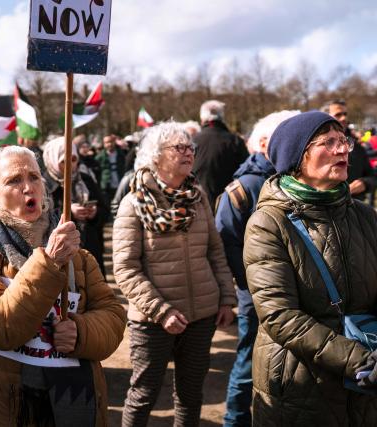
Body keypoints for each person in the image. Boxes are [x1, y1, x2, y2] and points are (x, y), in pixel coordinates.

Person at [0, 146, 126, 426]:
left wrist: (81, 332)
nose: (27, 187)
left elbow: (114, 318)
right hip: (9, 405)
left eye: (34, 177)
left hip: (73, 398)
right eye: (13, 181)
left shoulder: (78, 256)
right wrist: (48, 262)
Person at [243, 111, 377, 425]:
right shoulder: (268, 223)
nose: (343, 149)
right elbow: (280, 316)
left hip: (364, 389)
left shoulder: (365, 215)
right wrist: (361, 359)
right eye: (328, 142)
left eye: (343, 141)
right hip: (301, 384)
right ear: (298, 157)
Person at [113, 122, 236, 427]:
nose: (188, 152)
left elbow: (214, 250)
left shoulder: (198, 196)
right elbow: (126, 269)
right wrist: (161, 311)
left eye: (189, 147)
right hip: (154, 320)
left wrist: (226, 298)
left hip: (201, 314)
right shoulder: (133, 204)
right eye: (178, 148)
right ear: (155, 157)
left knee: (192, 394)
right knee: (143, 394)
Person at [215, 110, 299, 427]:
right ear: (265, 143)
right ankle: (234, 421)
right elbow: (227, 241)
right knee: (248, 362)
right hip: (256, 294)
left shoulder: (291, 182)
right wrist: (253, 284)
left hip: (292, 292)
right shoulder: (244, 188)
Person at [42, 137, 108, 277]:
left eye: (73, 159)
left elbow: (105, 209)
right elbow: (41, 218)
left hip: (90, 249)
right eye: (64, 161)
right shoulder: (43, 185)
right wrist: (68, 212)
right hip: (61, 253)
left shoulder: (86, 179)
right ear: (53, 160)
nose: (70, 165)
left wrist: (94, 213)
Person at [192, 100, 249, 209]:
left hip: (199, 205)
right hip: (230, 205)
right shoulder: (235, 141)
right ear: (222, 117)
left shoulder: (192, 141)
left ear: (202, 118)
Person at [321, 100, 376, 202]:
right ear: (325, 117)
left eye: (345, 114)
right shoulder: (317, 148)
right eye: (338, 114)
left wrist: (365, 183)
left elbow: (372, 176)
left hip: (354, 207)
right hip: (323, 208)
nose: (344, 118)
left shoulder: (357, 147)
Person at [96, 134, 126, 204]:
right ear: (104, 144)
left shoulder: (121, 154)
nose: (109, 144)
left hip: (120, 184)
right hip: (106, 186)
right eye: (107, 142)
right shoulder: (100, 157)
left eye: (111, 142)